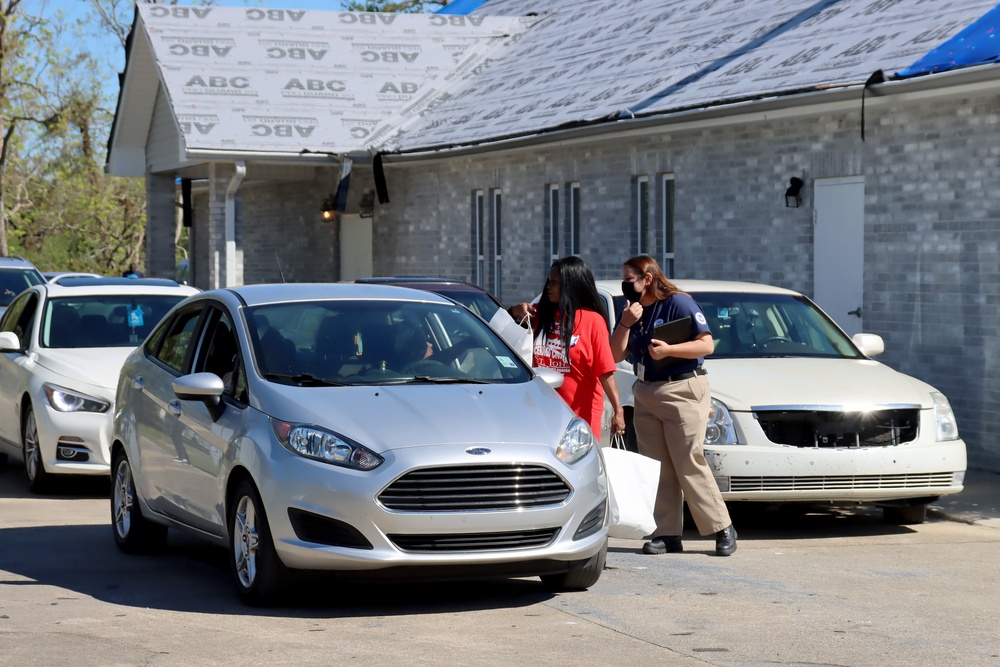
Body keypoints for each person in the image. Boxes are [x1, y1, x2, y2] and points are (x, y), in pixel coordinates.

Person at [609, 255, 736, 557]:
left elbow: (706, 344)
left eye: (629, 280)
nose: (625, 286)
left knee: (688, 461)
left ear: (648, 278)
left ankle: (722, 528)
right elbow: (615, 354)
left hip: (682, 387)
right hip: (646, 390)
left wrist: (670, 350)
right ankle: (666, 534)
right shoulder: (633, 311)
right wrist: (626, 323)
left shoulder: (678, 303)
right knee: (658, 467)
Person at [511, 256, 625, 440]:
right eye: (549, 280)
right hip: (542, 411)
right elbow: (500, 333)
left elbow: (605, 370)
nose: (548, 286)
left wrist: (618, 411)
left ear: (572, 285)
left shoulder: (592, 321)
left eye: (555, 282)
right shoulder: (539, 314)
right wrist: (514, 311)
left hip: (579, 416)